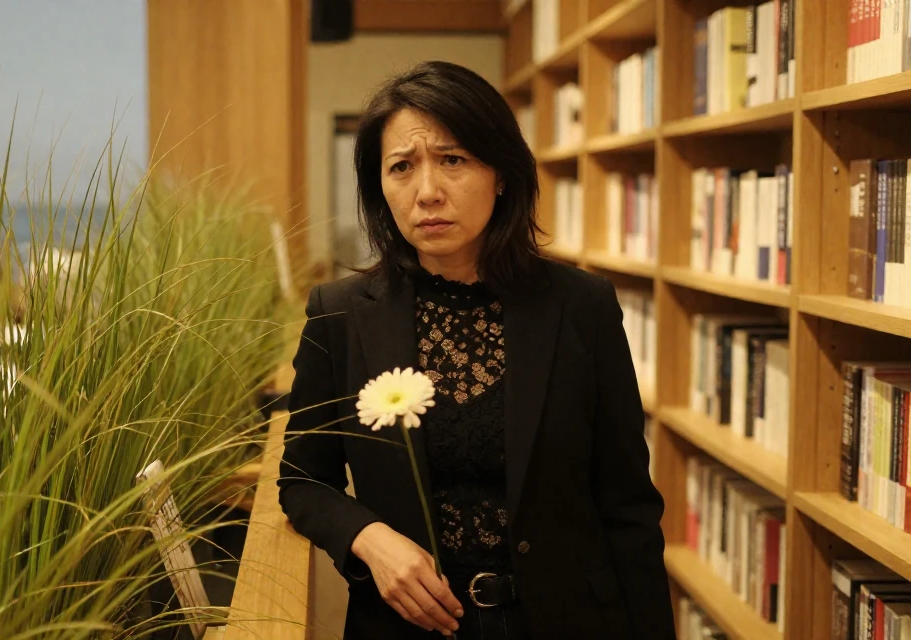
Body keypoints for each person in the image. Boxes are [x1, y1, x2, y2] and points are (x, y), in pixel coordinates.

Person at [277, 61, 675, 639]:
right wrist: (371, 539)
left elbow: (628, 506)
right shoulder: (340, 314)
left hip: (567, 621)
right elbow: (302, 479)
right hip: (409, 626)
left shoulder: (581, 306)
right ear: (379, 188)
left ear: (503, 173)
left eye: (453, 160)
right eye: (402, 168)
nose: (428, 191)